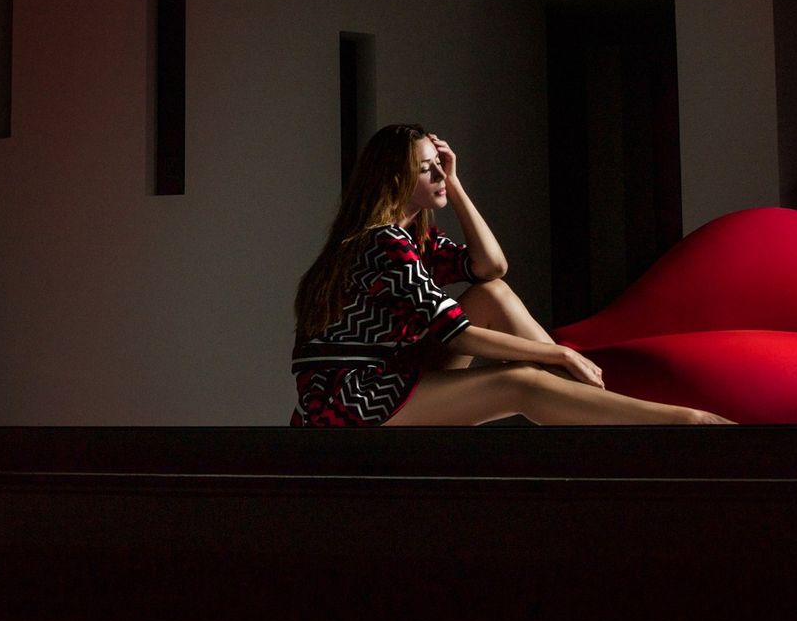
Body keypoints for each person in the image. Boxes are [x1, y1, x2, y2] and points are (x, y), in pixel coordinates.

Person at [289, 123, 733, 427]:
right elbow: (456, 335)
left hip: (392, 374)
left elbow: (491, 267)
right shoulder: (381, 242)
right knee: (518, 382)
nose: (440, 173)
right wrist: (555, 355)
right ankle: (677, 421)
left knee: (493, 295)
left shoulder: (414, 238)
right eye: (428, 169)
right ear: (395, 179)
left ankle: (607, 413)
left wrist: (456, 188)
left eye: (441, 164)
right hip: (349, 399)